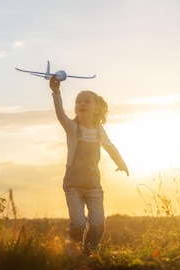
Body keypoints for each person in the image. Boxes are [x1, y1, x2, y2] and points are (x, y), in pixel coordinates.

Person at [49, 76, 129, 255]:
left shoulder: (99, 130)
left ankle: (88, 254)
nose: (81, 104)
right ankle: (72, 252)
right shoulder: (72, 128)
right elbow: (60, 114)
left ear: (97, 108)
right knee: (78, 223)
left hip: (94, 186)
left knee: (98, 224)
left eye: (87, 101)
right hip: (73, 186)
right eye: (78, 101)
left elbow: (111, 147)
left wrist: (121, 163)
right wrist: (56, 93)